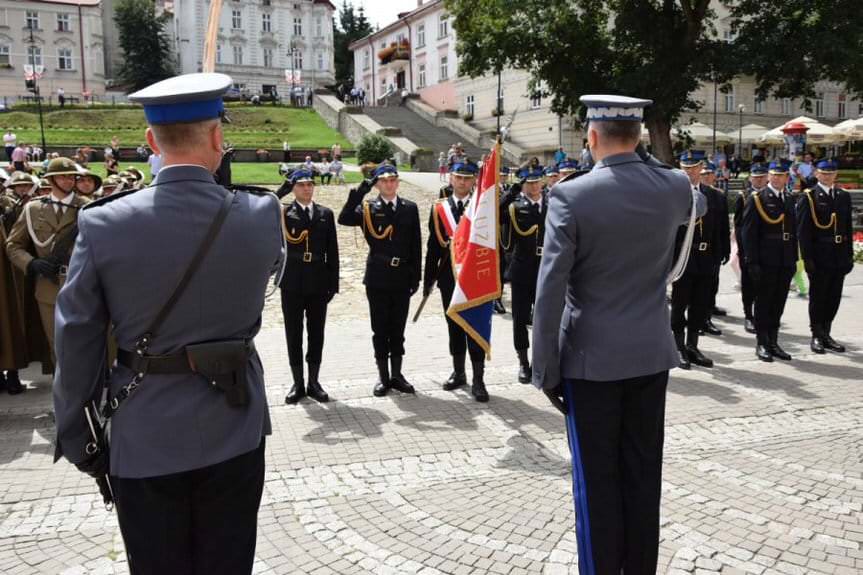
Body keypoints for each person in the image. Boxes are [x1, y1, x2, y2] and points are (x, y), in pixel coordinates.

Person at [52, 72, 285, 575]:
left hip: (145, 431)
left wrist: (77, 433)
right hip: (234, 425)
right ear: (220, 139)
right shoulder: (261, 213)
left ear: (151, 142)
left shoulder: (102, 223)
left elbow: (77, 339)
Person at [532, 95, 706, 574]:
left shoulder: (571, 195)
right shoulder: (672, 187)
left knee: (598, 484)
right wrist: (647, 158)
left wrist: (544, 368)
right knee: (642, 475)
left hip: (591, 363)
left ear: (591, 137)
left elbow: (549, 293)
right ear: (641, 136)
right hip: (651, 356)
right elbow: (698, 199)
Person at [338, 164, 421, 397]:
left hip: (402, 277)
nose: (389, 184)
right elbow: (344, 218)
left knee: (398, 328)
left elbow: (416, 243)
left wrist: (417, 276)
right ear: (377, 184)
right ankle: (383, 376)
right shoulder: (367, 208)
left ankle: (397, 374)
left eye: (393, 180)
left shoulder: (409, 208)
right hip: (378, 277)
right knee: (380, 328)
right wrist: (360, 191)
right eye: (383, 181)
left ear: (398, 182)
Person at [5, 157, 89, 354]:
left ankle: (84, 384)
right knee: (57, 345)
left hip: (82, 284)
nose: (69, 180)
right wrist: (32, 263)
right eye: (63, 177)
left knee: (83, 343)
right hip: (48, 287)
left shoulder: (87, 207)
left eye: (72, 177)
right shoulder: (33, 209)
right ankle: (62, 384)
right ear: (51, 180)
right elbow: (13, 245)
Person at [423, 161, 488, 402]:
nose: (462, 182)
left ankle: (479, 379)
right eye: (458, 177)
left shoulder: (482, 207)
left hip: (476, 278)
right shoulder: (439, 208)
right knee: (455, 328)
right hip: (449, 278)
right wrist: (428, 279)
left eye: (467, 178)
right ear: (451, 179)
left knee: (476, 327)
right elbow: (433, 247)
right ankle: (459, 372)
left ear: (474, 181)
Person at [279, 169, 339, 403]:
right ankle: (298, 383)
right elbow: (266, 207)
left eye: (310, 184)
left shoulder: (325, 214)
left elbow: (332, 251)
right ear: (293, 188)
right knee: (293, 333)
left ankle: (314, 381)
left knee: (316, 333)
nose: (307, 188)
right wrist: (282, 189)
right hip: (292, 281)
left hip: (317, 279)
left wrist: (332, 284)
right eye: (301, 185)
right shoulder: (284, 212)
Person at [669, 152, 725, 370]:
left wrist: (720, 253)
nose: (689, 171)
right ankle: (678, 346)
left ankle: (693, 346)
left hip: (706, 258)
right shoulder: (673, 195)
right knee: (680, 304)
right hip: (683, 258)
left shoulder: (715, 196)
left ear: (701, 167)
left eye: (693, 167)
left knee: (700, 305)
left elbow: (720, 229)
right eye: (685, 167)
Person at [741, 160, 798, 362]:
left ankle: (774, 342)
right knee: (764, 303)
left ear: (786, 178)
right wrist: (752, 261)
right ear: (769, 177)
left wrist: (793, 260)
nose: (777, 178)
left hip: (784, 260)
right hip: (765, 260)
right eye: (774, 175)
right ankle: (762, 343)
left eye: (781, 175)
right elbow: (748, 233)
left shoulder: (790, 199)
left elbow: (793, 233)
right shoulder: (758, 199)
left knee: (778, 303)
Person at [797, 160, 854, 353]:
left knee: (833, 297)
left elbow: (847, 227)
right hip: (820, 255)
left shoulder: (842, 196)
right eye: (824, 173)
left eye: (831, 173)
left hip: (838, 254)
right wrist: (808, 259)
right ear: (817, 174)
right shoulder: (810, 197)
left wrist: (849, 255)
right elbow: (803, 232)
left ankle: (827, 333)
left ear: (836, 175)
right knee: (818, 296)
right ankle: (816, 334)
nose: (828, 176)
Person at [503, 165, 546, 383]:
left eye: (537, 181)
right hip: (522, 269)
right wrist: (511, 191)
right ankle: (523, 361)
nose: (534, 186)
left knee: (544, 318)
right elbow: (498, 214)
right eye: (529, 183)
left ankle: (543, 359)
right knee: (520, 318)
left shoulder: (552, 203)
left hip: (546, 269)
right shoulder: (515, 207)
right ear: (523, 184)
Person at [0, 171, 41, 394]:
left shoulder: (17, 204)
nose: (23, 189)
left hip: (15, 272)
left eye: (27, 185)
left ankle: (13, 373)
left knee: (13, 321)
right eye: (19, 186)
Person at [733, 165, 766, 333]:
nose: (759, 179)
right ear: (750, 178)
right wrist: (743, 248)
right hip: (749, 249)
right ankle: (748, 315)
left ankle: (762, 315)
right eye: (756, 177)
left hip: (767, 249)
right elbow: (738, 225)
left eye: (762, 176)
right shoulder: (744, 196)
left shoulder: (769, 195)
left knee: (765, 285)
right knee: (748, 284)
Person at [699, 161, 731, 333]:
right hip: (696, 248)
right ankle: (699, 317)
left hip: (714, 247)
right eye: (702, 174)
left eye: (708, 174)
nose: (705, 177)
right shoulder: (689, 194)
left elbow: (724, 226)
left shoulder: (718, 196)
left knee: (712, 282)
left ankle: (708, 312)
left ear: (713, 176)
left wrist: (726, 248)